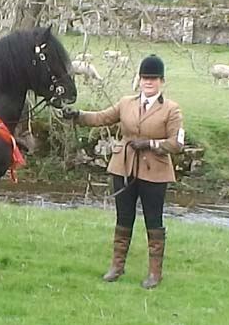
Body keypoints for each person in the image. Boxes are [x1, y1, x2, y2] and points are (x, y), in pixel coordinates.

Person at [63, 54, 184, 289]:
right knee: (123, 217)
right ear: (139, 80)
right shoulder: (126, 102)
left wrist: (151, 144)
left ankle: (154, 273)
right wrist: (77, 115)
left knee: (153, 220)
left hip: (155, 172)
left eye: (154, 78)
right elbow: (102, 117)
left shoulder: (171, 109)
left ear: (161, 81)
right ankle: (117, 266)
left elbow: (176, 144)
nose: (149, 82)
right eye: (145, 78)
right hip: (123, 167)